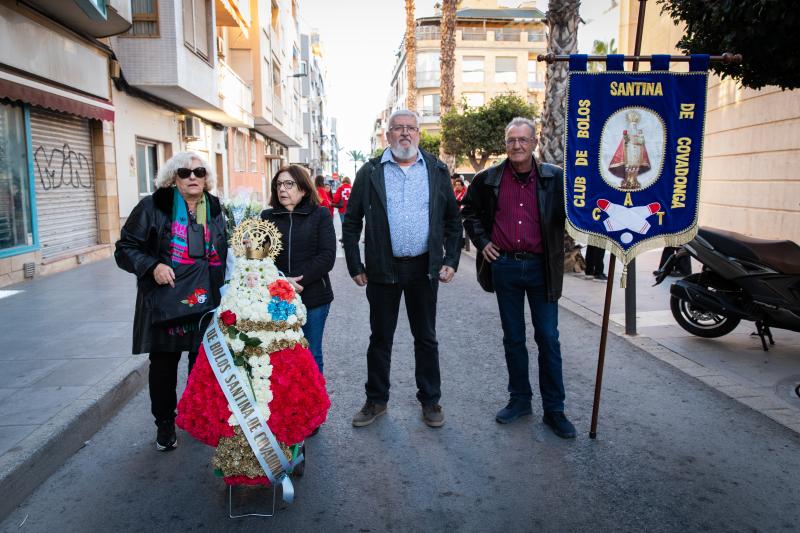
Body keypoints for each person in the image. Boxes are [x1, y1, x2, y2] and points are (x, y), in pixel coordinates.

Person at [342, 109, 462, 428]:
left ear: (419, 134)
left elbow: (453, 220)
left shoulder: (436, 169)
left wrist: (450, 260)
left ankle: (431, 401)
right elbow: (351, 221)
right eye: (398, 129)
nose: (405, 133)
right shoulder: (369, 172)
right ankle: (376, 400)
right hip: (383, 269)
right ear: (388, 135)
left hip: (425, 269)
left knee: (426, 337)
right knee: (381, 337)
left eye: (411, 128)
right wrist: (355, 263)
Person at [461, 117, 576, 439]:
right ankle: (520, 400)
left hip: (543, 268)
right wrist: (483, 243)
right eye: (511, 140)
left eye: (523, 140)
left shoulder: (555, 178)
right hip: (506, 267)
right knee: (513, 338)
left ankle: (555, 409)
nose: (517, 146)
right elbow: (468, 212)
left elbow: (576, 212)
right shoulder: (488, 179)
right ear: (506, 143)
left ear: (534, 143)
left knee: (548, 338)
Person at [115, 151, 228, 451]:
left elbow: (224, 250)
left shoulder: (215, 208)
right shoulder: (153, 207)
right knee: (164, 367)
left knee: (201, 365)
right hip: (165, 303)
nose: (192, 177)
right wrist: (153, 266)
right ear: (172, 177)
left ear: (207, 178)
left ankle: (195, 416)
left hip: (205, 302)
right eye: (184, 172)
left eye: (199, 172)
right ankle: (165, 424)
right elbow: (125, 248)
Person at [262, 165, 336, 374]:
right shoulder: (267, 217)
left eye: (289, 184)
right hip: (277, 296)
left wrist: (298, 281)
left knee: (311, 354)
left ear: (303, 189)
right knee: (280, 353)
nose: (282, 189)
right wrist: (283, 281)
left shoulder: (320, 214)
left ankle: (314, 406)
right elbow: (261, 259)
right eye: (278, 185)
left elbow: (327, 257)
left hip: (313, 297)